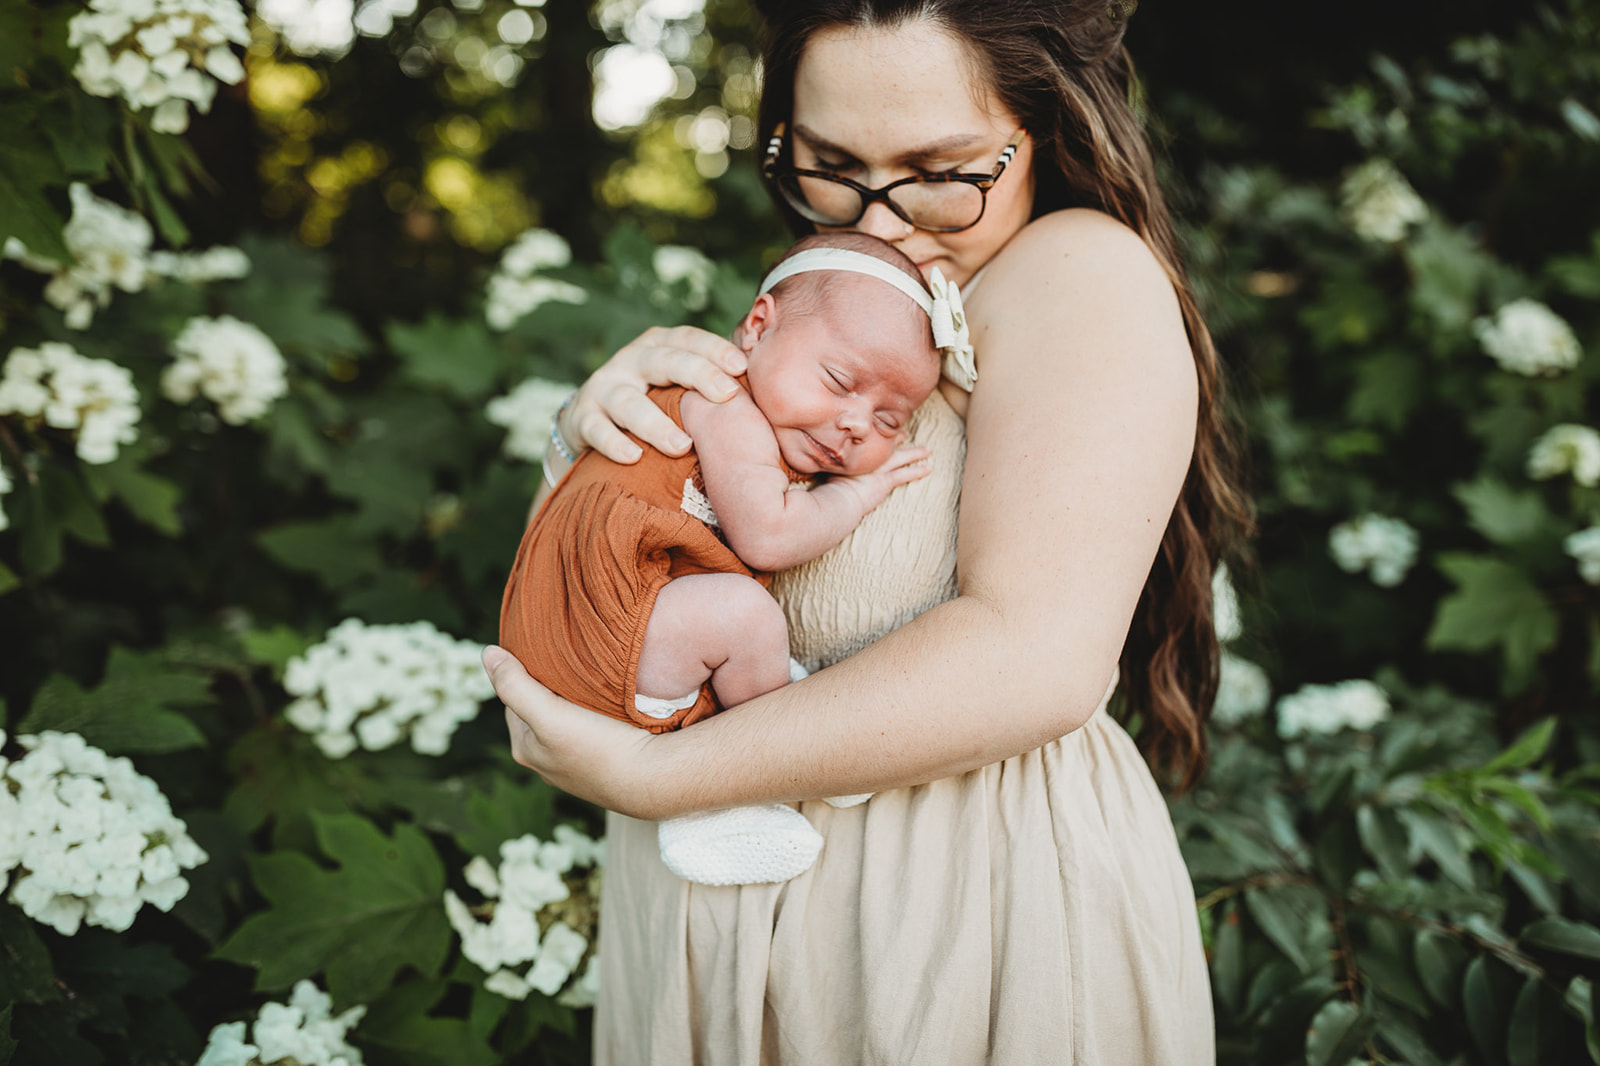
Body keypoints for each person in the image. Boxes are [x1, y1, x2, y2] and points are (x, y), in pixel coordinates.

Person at [481, 0, 1251, 1061]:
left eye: (940, 171)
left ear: (1051, 129)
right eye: (830, 162)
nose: (878, 222)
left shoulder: (1074, 271)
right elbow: (599, 594)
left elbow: (1036, 654)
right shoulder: (833, 307)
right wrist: (599, 438)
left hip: (947, 918)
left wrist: (653, 779)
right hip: (715, 915)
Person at [498, 232, 947, 886]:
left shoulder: (764, 419)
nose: (855, 422)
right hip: (599, 634)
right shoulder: (722, 402)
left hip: (604, 634)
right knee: (741, 614)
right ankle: (739, 792)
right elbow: (769, 536)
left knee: (726, 616)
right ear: (756, 328)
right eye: (840, 380)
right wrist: (858, 490)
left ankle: (773, 714)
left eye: (890, 420)